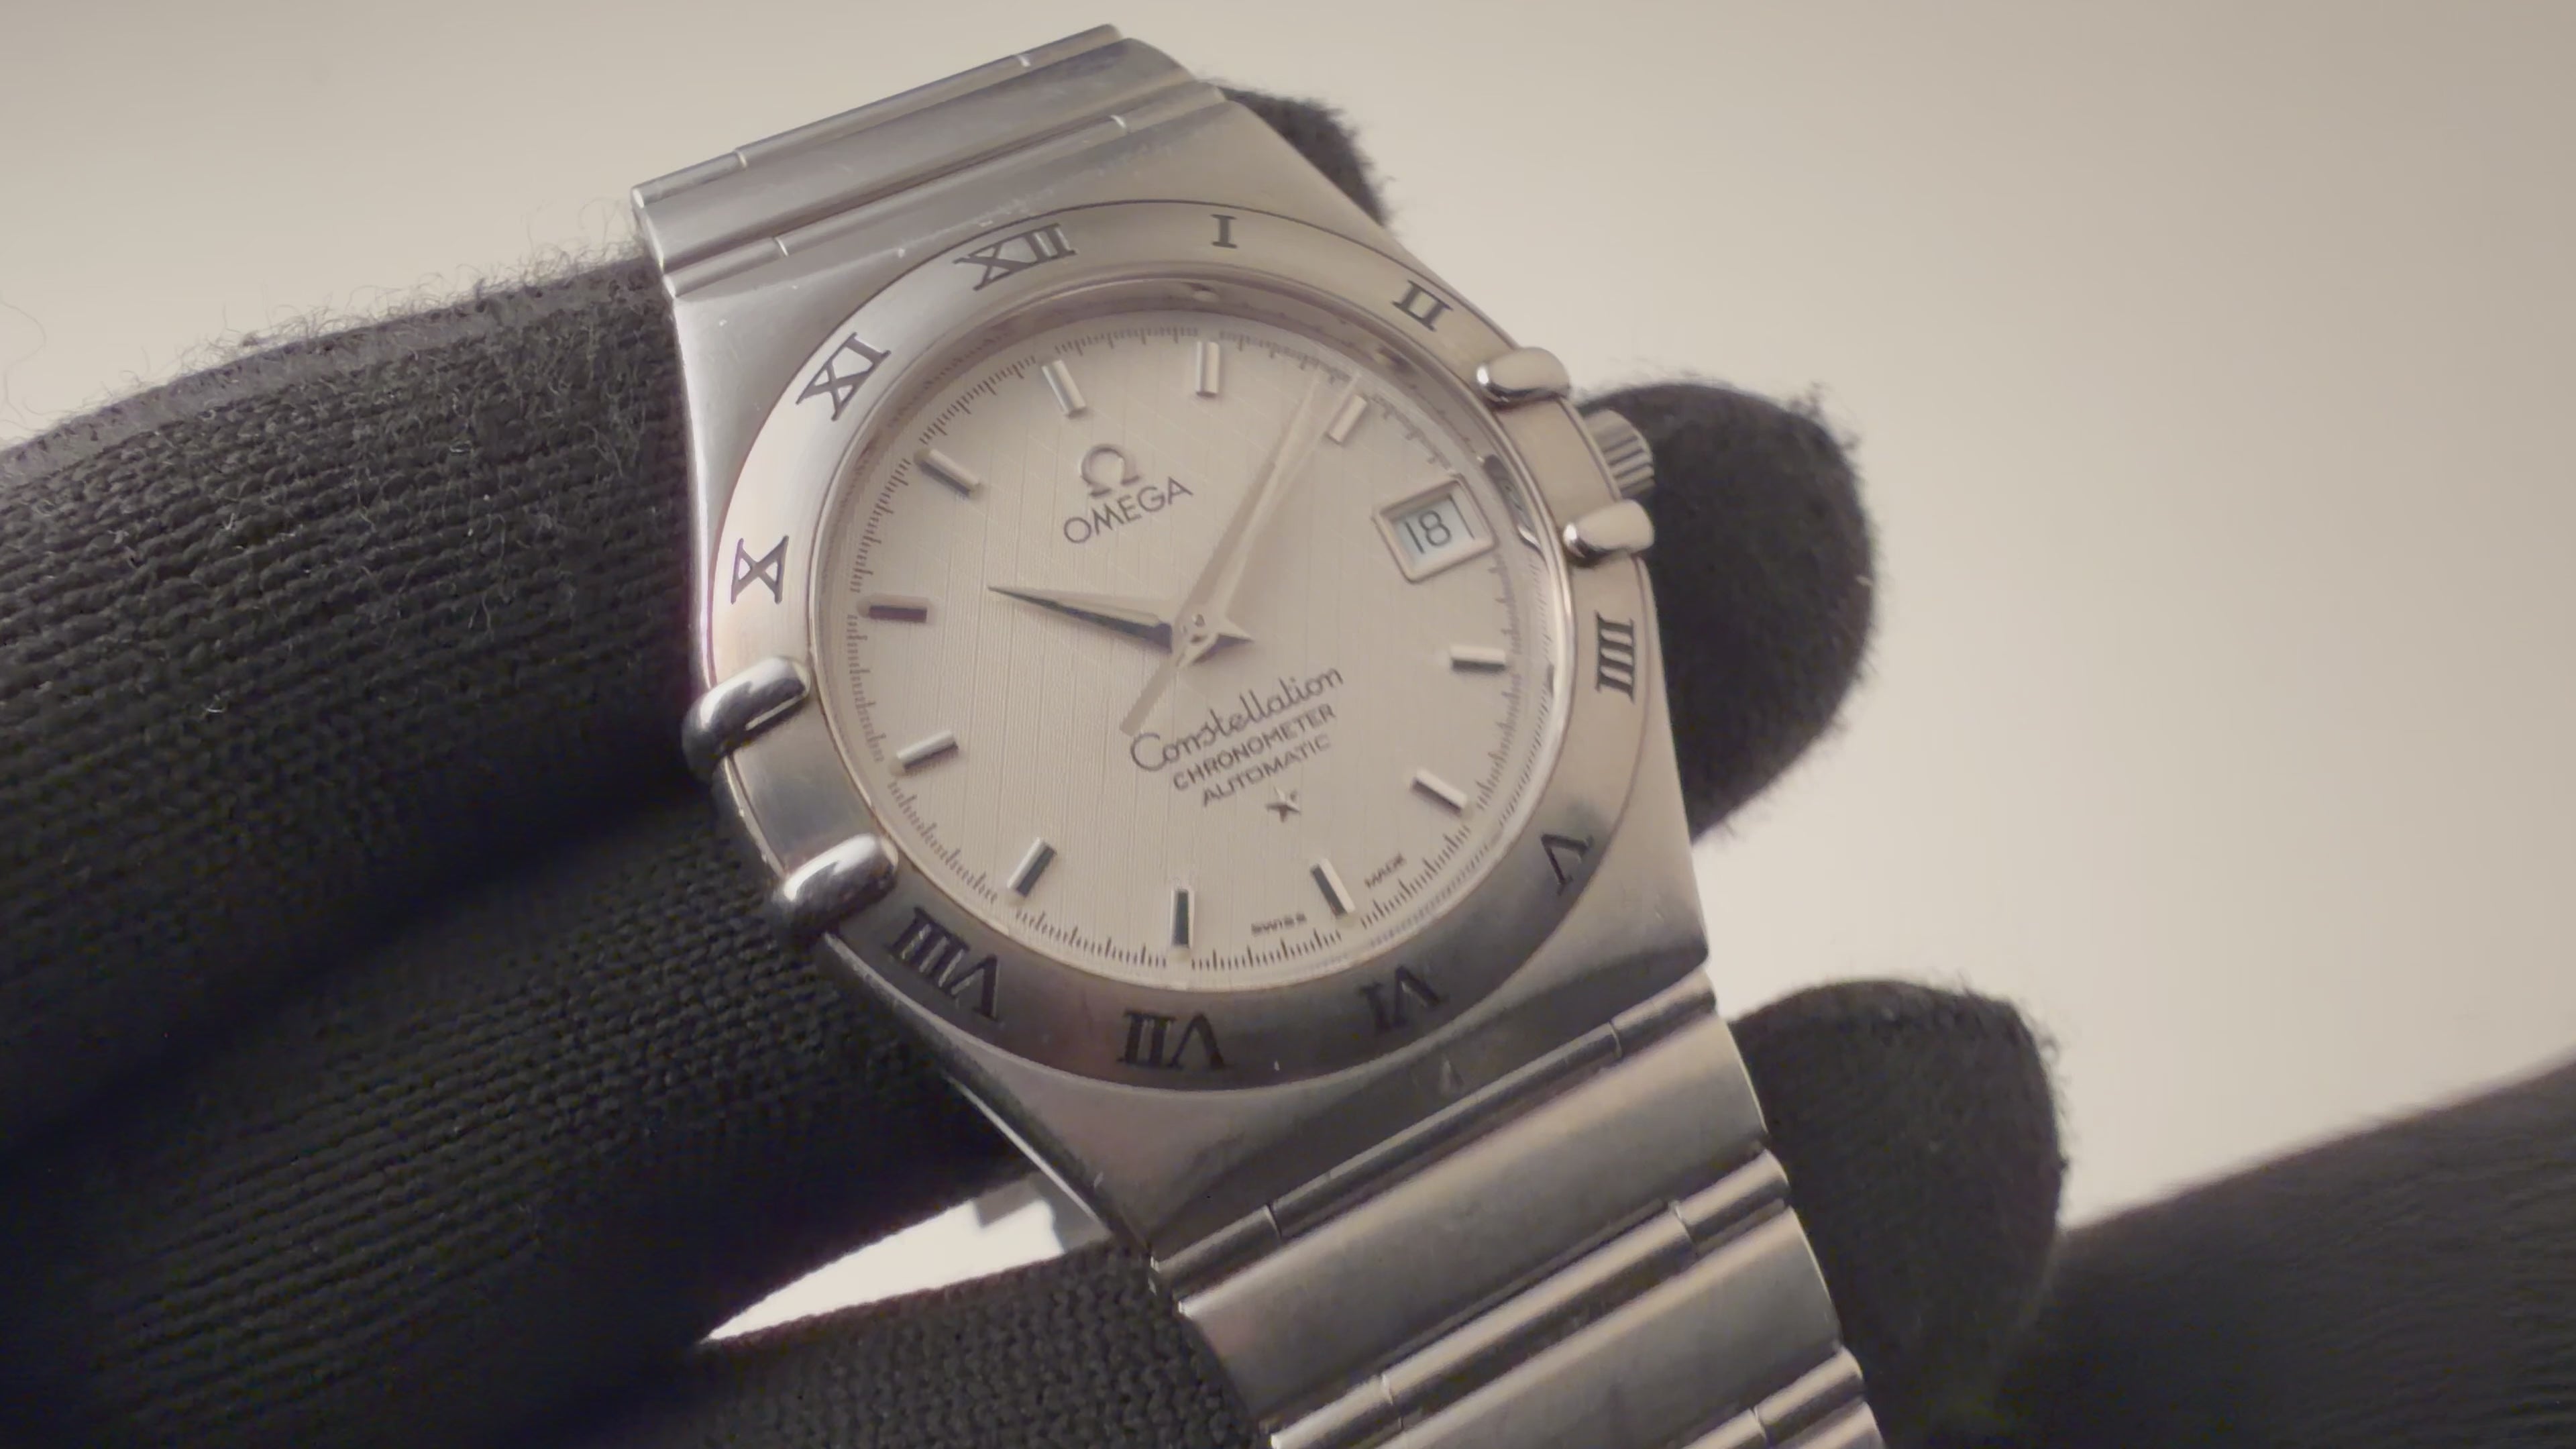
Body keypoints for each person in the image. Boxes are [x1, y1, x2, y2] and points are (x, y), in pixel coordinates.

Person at [0, 89, 2566, 1449]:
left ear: (1546, 483)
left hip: (1515, 915)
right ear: (799, 801)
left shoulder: (1499, 520)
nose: (1198, 628)